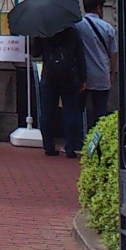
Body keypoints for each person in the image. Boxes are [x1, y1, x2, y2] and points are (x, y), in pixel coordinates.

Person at [35, 26, 87, 158]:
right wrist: (82, 78)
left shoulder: (44, 30)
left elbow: (35, 53)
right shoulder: (73, 31)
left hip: (49, 75)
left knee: (47, 112)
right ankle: (70, 148)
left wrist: (37, 37)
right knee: (71, 112)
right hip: (69, 76)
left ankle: (49, 146)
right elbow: (80, 55)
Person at [74, 0, 118, 129]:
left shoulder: (77, 26)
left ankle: (77, 139)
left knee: (77, 111)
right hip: (102, 75)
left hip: (82, 76)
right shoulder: (107, 27)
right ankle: (97, 140)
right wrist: (112, 73)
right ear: (98, 8)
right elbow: (113, 53)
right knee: (100, 114)